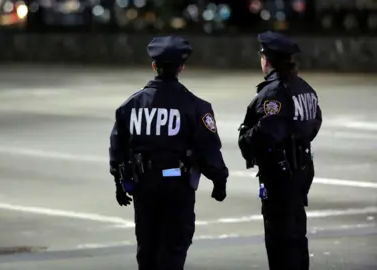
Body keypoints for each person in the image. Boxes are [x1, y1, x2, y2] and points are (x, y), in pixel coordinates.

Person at [108, 36, 228, 270]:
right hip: (178, 188)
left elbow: (118, 146)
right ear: (181, 67)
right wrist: (219, 179)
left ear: (154, 66)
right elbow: (208, 148)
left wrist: (118, 181)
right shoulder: (196, 106)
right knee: (173, 247)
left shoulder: (131, 105)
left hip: (144, 185)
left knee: (147, 248)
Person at [237, 31, 323, 270]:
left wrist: (245, 138)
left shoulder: (274, 92)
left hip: (280, 172)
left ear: (267, 59)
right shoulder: (305, 88)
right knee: (296, 233)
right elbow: (315, 120)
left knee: (279, 238)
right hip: (301, 168)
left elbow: (266, 131)